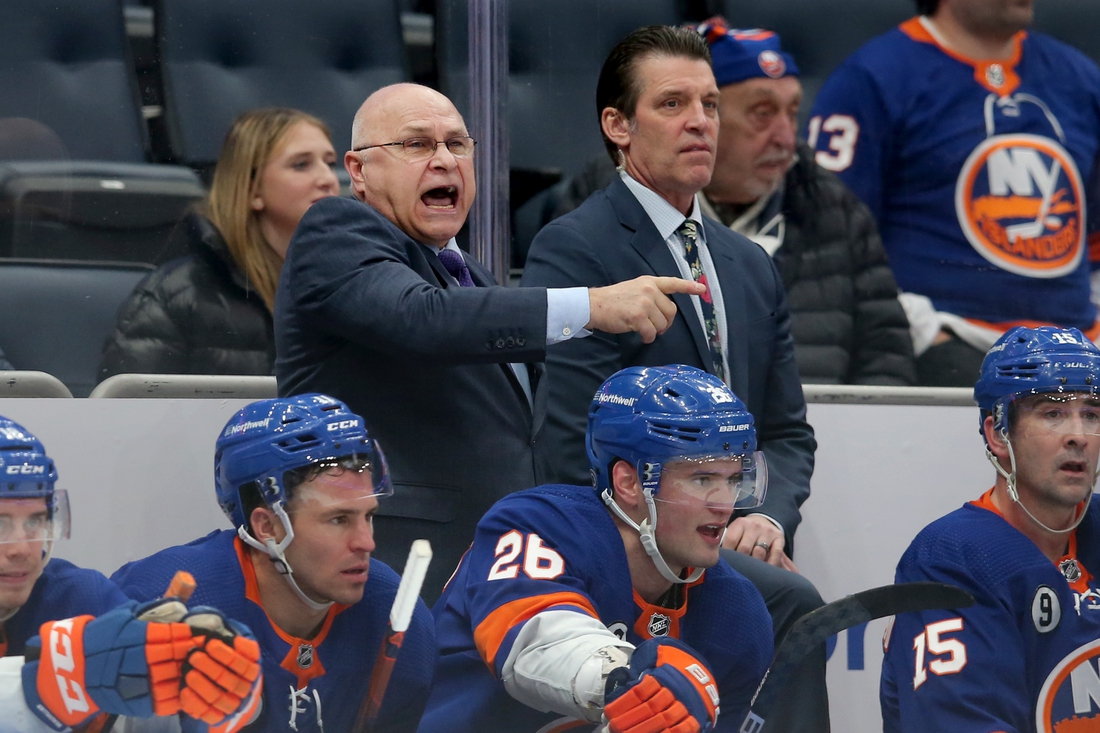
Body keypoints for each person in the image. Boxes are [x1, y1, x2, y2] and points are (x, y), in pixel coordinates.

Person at [274, 82, 709, 600]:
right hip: (396, 563)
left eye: (457, 144)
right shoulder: (334, 231)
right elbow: (422, 319)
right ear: (359, 170)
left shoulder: (472, 276)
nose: (444, 160)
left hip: (502, 566)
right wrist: (593, 305)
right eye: (416, 144)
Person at [520, 26, 828, 731]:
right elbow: (569, 441)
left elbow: (785, 431)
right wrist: (696, 521)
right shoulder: (576, 246)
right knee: (795, 604)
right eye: (673, 103)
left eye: (711, 104)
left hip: (728, 532)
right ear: (618, 126)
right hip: (636, 542)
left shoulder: (748, 262)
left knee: (782, 598)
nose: (700, 121)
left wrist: (764, 514)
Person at [552, 18, 917, 386]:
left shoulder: (834, 207)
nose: (786, 139)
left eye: (791, 113)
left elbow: (886, 360)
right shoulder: (588, 221)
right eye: (762, 114)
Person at [422, 365, 773, 732]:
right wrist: (629, 681)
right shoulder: (537, 524)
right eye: (702, 479)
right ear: (629, 482)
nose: (725, 505)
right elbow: (537, 645)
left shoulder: (737, 616)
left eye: (733, 479)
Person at [808, 0, 1100, 387]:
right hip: (948, 338)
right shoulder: (871, 79)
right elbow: (828, 245)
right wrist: (921, 328)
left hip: (1079, 346)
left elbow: (1095, 236)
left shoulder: (1079, 78)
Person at [112, 394, 436, 733]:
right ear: (267, 527)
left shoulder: (397, 615)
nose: (366, 542)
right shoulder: (158, 601)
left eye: (368, 516)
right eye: (338, 520)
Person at [880, 325, 1100, 730]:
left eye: (1091, 414)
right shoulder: (952, 557)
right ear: (998, 433)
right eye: (1052, 412)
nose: (1078, 436)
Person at [0, 417, 261, 733]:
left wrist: (215, 684)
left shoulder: (79, 596)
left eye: (35, 522)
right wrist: (51, 683)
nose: (22, 549)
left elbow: (162, 709)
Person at [100, 107, 339, 380]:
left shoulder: (349, 285)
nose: (328, 180)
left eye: (330, 163)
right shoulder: (175, 296)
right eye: (301, 165)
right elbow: (128, 413)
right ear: (252, 188)